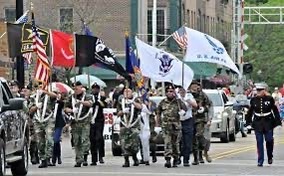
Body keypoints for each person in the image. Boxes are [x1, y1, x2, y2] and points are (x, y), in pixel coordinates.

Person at [246, 83, 282, 167]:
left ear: (264, 91)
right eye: (257, 90)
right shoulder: (253, 100)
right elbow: (250, 112)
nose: (258, 92)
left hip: (268, 122)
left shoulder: (269, 99)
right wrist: (248, 123)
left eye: (260, 90)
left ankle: (270, 156)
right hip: (257, 123)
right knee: (259, 142)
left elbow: (275, 110)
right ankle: (260, 160)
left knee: (269, 140)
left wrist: (278, 122)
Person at [29, 82, 58, 168]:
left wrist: (46, 92)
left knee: (49, 138)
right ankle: (43, 159)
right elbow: (30, 110)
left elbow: (55, 96)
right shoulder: (33, 97)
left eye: (42, 86)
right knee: (40, 141)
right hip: (38, 120)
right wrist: (36, 107)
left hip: (48, 119)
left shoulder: (49, 95)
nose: (40, 87)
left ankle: (48, 157)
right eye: (38, 86)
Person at [156, 85, 187, 168]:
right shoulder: (163, 102)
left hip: (176, 126)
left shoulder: (178, 102)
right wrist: (158, 123)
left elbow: (185, 109)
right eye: (168, 91)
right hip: (166, 126)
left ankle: (176, 158)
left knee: (175, 144)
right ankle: (168, 159)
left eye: (171, 91)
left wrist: (182, 112)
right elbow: (158, 112)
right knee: (167, 142)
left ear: (174, 93)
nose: (170, 93)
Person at [64, 81, 93, 167]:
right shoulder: (71, 97)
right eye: (74, 89)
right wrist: (72, 110)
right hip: (75, 122)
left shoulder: (88, 96)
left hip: (85, 122)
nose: (75, 90)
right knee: (76, 141)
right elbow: (65, 108)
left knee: (84, 140)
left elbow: (90, 104)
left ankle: (85, 156)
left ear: (81, 87)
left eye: (77, 88)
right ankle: (78, 159)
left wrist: (81, 102)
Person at [117, 88, 143, 167]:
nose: (127, 93)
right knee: (124, 143)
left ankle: (135, 157)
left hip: (134, 125)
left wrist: (133, 103)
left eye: (128, 91)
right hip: (124, 125)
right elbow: (117, 113)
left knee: (134, 144)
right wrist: (123, 111)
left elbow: (140, 107)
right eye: (125, 91)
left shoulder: (136, 99)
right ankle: (126, 160)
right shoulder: (121, 102)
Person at [190, 81, 212, 165]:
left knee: (199, 135)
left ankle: (201, 152)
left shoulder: (202, 95)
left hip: (200, 119)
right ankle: (196, 158)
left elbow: (208, 105)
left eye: (196, 86)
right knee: (193, 139)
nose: (195, 88)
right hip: (190, 119)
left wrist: (204, 108)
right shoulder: (189, 95)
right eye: (193, 86)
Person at [178, 87, 197, 167]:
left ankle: (186, 159)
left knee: (187, 142)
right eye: (180, 90)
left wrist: (187, 100)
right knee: (178, 141)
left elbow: (195, 105)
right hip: (178, 121)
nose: (182, 91)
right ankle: (177, 158)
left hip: (188, 121)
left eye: (183, 90)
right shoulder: (176, 97)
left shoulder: (189, 96)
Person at [89, 83, 107, 166]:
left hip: (99, 120)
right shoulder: (89, 97)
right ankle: (94, 158)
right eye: (94, 88)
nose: (95, 90)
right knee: (92, 139)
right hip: (91, 120)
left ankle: (101, 156)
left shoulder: (102, 97)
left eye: (96, 88)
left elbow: (105, 105)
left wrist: (98, 102)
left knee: (99, 138)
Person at [51, 92, 66, 166]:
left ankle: (55, 158)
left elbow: (61, 105)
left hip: (58, 123)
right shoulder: (50, 102)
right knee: (53, 141)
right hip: (50, 122)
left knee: (56, 139)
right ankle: (56, 157)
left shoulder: (60, 102)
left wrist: (58, 100)